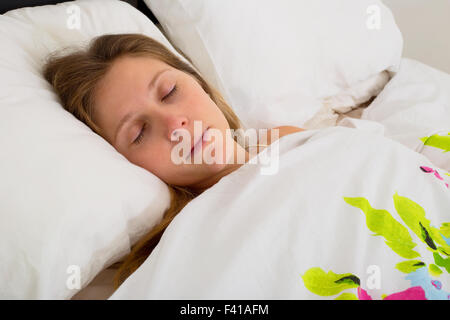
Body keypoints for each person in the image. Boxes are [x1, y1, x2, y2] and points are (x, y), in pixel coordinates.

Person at [43, 33, 305, 288]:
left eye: (169, 92)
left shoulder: (285, 139)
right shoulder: (186, 244)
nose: (174, 124)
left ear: (198, 82)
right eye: (139, 133)